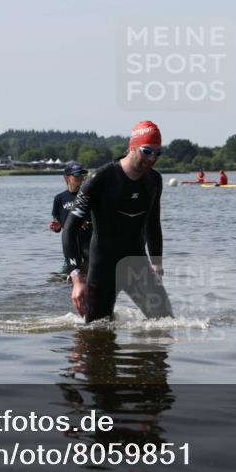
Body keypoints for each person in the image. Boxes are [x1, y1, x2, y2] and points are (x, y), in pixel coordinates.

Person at [62, 120, 173, 323]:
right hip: (103, 267)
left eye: (158, 153)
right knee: (97, 331)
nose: (152, 158)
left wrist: (157, 263)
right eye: (147, 151)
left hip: (137, 265)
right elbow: (69, 229)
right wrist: (77, 279)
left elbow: (153, 223)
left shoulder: (154, 180)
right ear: (132, 147)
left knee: (165, 323)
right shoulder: (100, 179)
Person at [50, 162, 91, 274]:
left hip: (87, 243)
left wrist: (85, 222)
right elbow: (58, 224)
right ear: (67, 178)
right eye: (77, 175)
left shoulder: (88, 195)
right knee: (66, 276)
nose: (80, 178)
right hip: (70, 244)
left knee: (90, 273)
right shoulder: (59, 198)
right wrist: (57, 227)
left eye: (82, 175)